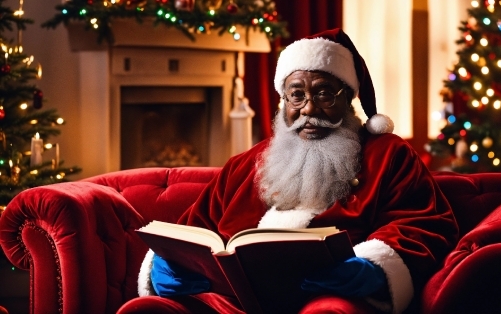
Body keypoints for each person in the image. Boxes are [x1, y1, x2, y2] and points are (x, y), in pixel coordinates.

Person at [120, 28, 458, 314]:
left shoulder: (388, 154)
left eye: (324, 93)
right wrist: (166, 262)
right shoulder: (245, 165)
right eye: (297, 95)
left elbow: (424, 222)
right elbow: (195, 230)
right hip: (230, 302)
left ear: (348, 98)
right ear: (284, 100)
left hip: (323, 300)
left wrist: (373, 267)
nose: (309, 108)